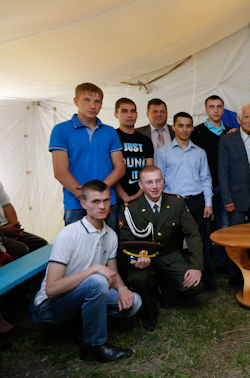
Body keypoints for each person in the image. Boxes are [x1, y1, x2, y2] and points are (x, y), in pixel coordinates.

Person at [34, 180, 141, 363]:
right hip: (51, 306)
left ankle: (80, 324)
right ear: (83, 204)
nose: (102, 206)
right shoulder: (68, 235)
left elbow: (112, 273)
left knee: (134, 302)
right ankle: (94, 346)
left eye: (106, 200)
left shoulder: (110, 234)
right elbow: (51, 289)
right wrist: (95, 269)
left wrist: (123, 288)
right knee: (97, 281)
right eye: (95, 201)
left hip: (86, 294)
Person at [119, 166, 204, 331]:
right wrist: (136, 259)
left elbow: (193, 234)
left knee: (195, 285)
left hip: (168, 255)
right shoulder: (131, 208)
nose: (154, 186)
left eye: (158, 181)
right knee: (140, 279)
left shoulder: (176, 202)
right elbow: (126, 241)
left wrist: (196, 266)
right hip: (142, 258)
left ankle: (165, 294)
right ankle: (149, 312)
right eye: (149, 182)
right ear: (141, 185)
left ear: (163, 181)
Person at [49, 83, 125, 229]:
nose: (92, 106)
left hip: (108, 203)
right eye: (86, 100)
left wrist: (99, 196)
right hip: (76, 204)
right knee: (78, 244)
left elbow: (120, 168)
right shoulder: (61, 130)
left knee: (111, 243)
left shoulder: (110, 131)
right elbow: (60, 172)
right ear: (76, 101)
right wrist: (87, 197)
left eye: (97, 101)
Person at [154, 112, 213, 288]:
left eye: (188, 126)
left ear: (192, 128)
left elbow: (206, 179)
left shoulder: (200, 153)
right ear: (173, 127)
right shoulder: (162, 152)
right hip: (172, 203)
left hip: (196, 201)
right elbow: (158, 181)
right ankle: (176, 279)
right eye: (181, 125)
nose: (184, 129)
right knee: (173, 242)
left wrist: (208, 204)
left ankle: (204, 277)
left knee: (200, 240)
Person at [191, 95, 230, 276]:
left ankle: (222, 265)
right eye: (212, 106)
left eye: (219, 106)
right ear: (206, 109)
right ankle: (205, 267)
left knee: (224, 228)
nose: (215, 110)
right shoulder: (196, 133)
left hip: (224, 188)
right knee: (204, 229)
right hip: (203, 188)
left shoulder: (230, 132)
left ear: (223, 109)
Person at [113, 98, 154, 206]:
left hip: (142, 198)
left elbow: (149, 171)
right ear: (116, 114)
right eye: (124, 111)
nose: (129, 115)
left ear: (136, 114)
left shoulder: (146, 141)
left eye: (133, 111)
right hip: (116, 200)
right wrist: (125, 197)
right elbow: (109, 170)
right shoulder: (112, 138)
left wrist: (138, 195)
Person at [0, 178, 48, 259]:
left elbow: (6, 204)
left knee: (41, 244)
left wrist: (15, 229)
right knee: (20, 250)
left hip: (5, 226)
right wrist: (4, 230)